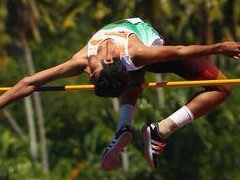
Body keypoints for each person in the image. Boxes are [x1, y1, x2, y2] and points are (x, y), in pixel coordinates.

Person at [0, 17, 239, 171]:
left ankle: (139, 128)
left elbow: (179, 51)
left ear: (107, 60)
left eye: (90, 73)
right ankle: (151, 130)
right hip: (141, 61)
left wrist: (220, 48)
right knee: (221, 87)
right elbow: (29, 83)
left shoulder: (125, 54)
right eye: (91, 73)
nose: (85, 71)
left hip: (155, 55)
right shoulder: (95, 60)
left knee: (222, 86)